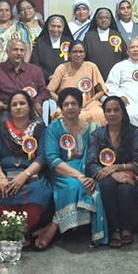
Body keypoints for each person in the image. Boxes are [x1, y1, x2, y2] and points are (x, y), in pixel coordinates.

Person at [0, 91, 54, 248]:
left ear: (30, 107)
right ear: (9, 109)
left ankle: (23, 233)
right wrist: (1, 178)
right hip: (5, 174)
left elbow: (42, 157)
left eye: (22, 103)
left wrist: (24, 175)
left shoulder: (39, 129)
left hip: (32, 174)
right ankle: (10, 234)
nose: (18, 107)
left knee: (38, 191)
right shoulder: (0, 130)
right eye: (14, 104)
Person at [44, 89, 108, 247]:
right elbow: (52, 159)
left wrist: (92, 176)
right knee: (74, 185)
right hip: (62, 171)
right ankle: (53, 228)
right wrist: (79, 175)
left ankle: (53, 228)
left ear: (80, 107)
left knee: (97, 186)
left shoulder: (94, 129)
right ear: (60, 108)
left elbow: (99, 157)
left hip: (89, 170)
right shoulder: (54, 129)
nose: (70, 107)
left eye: (74, 104)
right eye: (66, 104)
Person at [87, 96, 138, 247]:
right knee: (107, 185)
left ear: (123, 112)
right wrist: (113, 173)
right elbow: (91, 163)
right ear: (104, 114)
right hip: (106, 175)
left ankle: (126, 228)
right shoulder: (97, 135)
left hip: (129, 174)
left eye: (116, 110)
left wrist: (118, 167)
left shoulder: (135, 133)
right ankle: (114, 229)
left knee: (126, 189)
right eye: (108, 111)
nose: (112, 114)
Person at [0, 39, 49, 122]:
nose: (19, 53)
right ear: (7, 51)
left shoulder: (35, 70)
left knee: (38, 124)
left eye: (22, 50)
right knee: (4, 123)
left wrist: (37, 102)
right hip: (5, 110)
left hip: (29, 110)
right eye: (15, 50)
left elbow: (43, 91)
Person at [48, 41, 107, 126]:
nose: (78, 55)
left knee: (99, 114)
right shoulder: (62, 68)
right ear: (69, 54)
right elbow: (50, 91)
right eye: (75, 52)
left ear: (85, 54)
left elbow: (101, 91)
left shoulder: (91, 67)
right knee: (79, 117)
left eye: (81, 52)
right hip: (69, 105)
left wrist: (90, 101)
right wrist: (63, 102)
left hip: (89, 104)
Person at [0, 0, 33, 65]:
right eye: (0, 10)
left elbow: (27, 49)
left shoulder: (20, 26)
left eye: (7, 10)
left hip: (18, 67)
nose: (4, 13)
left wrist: (22, 67)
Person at [85, 8, 127, 80]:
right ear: (96, 21)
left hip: (115, 77)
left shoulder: (117, 35)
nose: (103, 20)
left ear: (110, 20)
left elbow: (125, 56)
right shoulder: (89, 36)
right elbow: (84, 57)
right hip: (94, 76)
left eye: (106, 17)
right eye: (100, 17)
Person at [31, 14, 73, 83]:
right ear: (48, 26)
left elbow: (73, 62)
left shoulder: (69, 42)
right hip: (44, 80)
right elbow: (35, 63)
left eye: (59, 27)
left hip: (65, 80)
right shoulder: (40, 42)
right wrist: (48, 76)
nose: (55, 29)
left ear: (63, 28)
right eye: (53, 26)